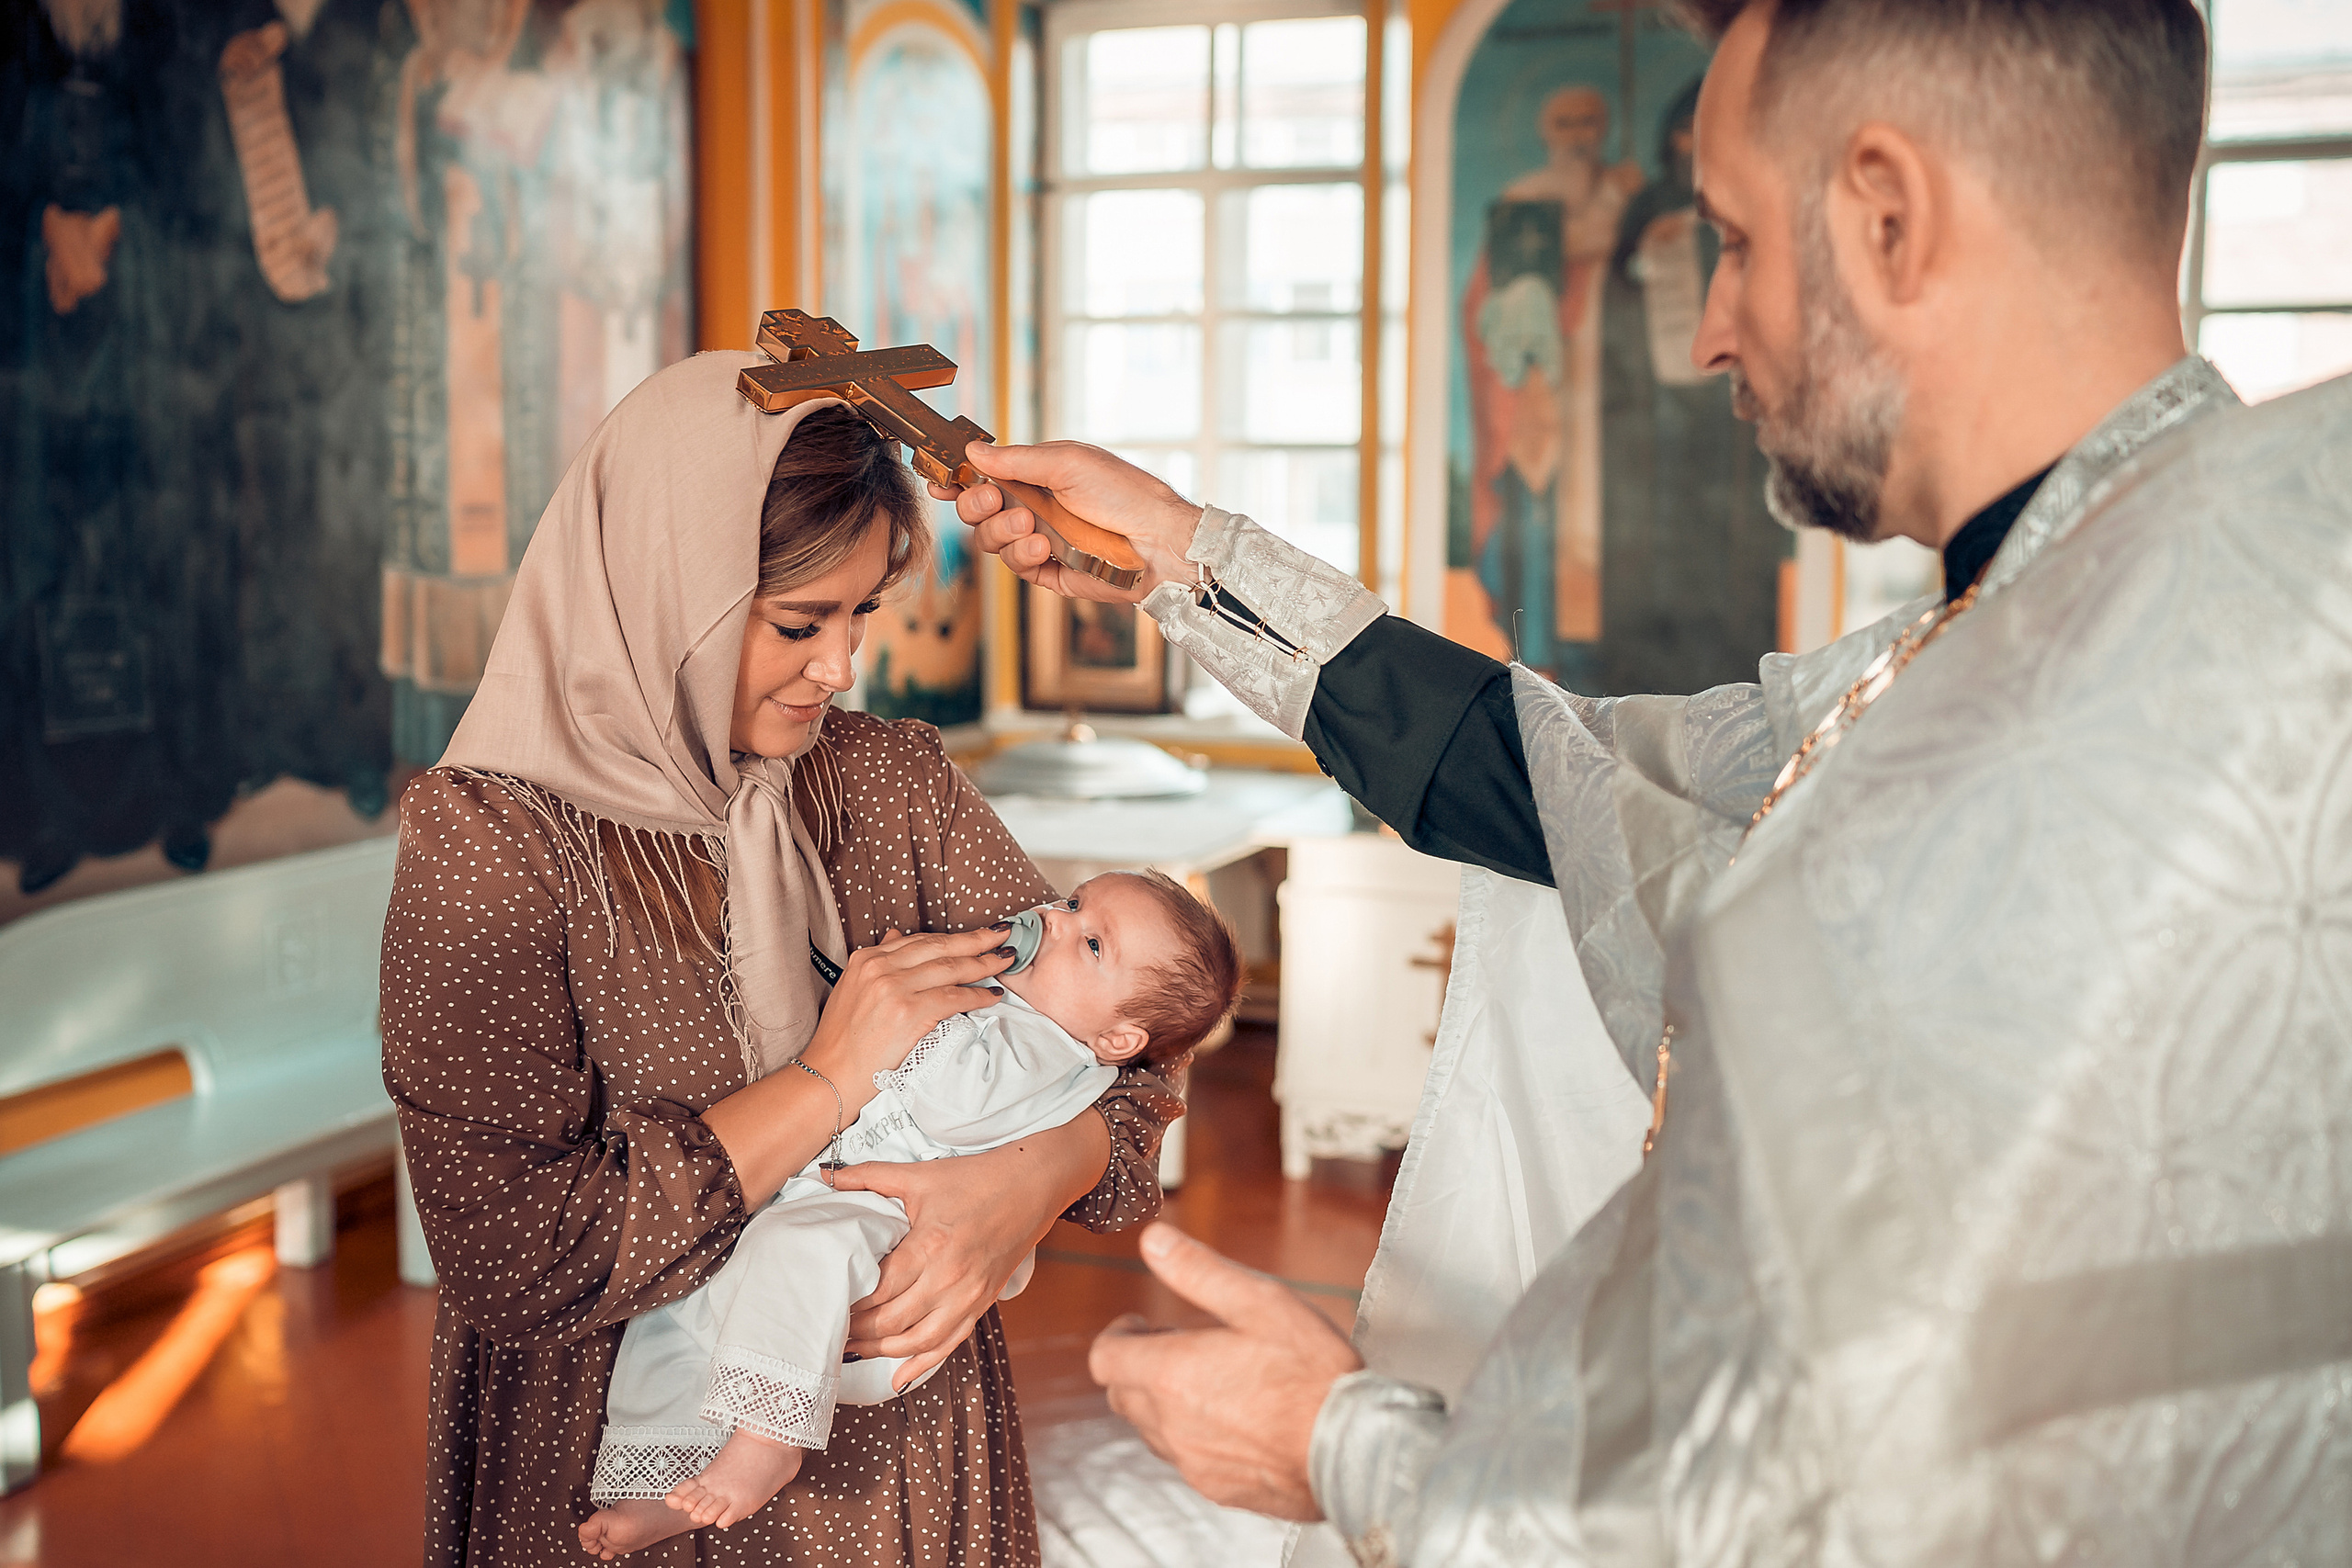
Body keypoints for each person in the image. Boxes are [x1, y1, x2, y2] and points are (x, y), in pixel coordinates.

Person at [947, 0, 2352, 1562]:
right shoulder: (2132, 603)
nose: (1703, 328)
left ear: (1889, 217)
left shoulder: (2039, 758)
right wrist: (1180, 553)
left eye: (1734, 241)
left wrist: (1339, 1446)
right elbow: (1566, 784)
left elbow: (1840, 1501)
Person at [381, 364, 1182, 1567]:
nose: (841, 666)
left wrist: (1031, 1176)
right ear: (664, 592)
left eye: (863, 614)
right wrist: (828, 1077)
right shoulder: (492, 841)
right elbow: (515, 1255)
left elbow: (1131, 1052)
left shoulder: (886, 782)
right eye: (800, 622)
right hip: (617, 1455)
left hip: (897, 1459)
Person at [580, 872, 1243, 1558]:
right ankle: (653, 1483)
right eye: (1073, 902)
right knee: (680, 1300)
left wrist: (905, 1001)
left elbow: (950, 1100)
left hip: (887, 1225)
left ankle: (767, 1443)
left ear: (1117, 1038)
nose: (1054, 920)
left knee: (796, 1251)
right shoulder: (1026, 1012)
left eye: (1093, 943)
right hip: (834, 1200)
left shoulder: (1051, 1048)